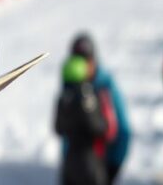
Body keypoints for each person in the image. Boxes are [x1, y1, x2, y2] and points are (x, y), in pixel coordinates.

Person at [64, 34, 131, 183]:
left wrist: (112, 167)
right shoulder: (70, 85)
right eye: (77, 60)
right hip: (72, 165)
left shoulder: (105, 85)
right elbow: (64, 130)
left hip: (98, 165)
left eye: (86, 60)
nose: (81, 66)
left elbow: (123, 130)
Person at [55, 54, 113, 185]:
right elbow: (100, 128)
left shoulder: (63, 98)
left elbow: (57, 128)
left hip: (69, 161)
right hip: (90, 162)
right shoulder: (88, 97)